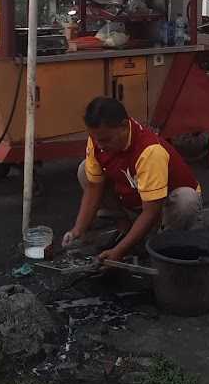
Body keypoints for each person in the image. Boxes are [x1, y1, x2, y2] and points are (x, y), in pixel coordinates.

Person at [63, 97, 202, 263]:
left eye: (106, 140)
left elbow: (151, 211)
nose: (100, 145)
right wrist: (78, 230)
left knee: (186, 200)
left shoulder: (150, 151)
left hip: (165, 207)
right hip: (136, 198)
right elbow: (94, 187)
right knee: (84, 170)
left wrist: (119, 252)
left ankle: (161, 244)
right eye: (96, 139)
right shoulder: (98, 138)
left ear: (124, 126)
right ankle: (124, 227)